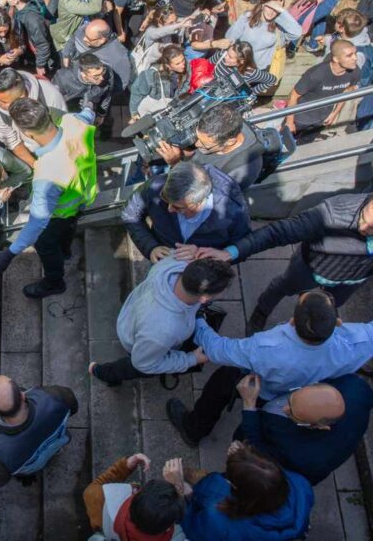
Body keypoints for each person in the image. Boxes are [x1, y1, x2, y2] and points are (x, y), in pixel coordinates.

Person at [167, 290, 373, 445]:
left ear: (292, 321)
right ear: (338, 322)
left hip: (264, 388)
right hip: (302, 396)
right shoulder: (359, 343)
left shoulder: (267, 348)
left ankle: (193, 429)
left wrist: (200, 322)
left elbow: (219, 350)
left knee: (222, 380)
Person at [196, 191, 373, 332]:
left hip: (353, 280)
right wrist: (231, 252)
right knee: (283, 287)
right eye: (365, 219)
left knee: (334, 303)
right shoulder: (331, 214)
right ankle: (261, 312)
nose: (364, 228)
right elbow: (277, 233)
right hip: (311, 268)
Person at [0, 97, 97, 297]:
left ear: (27, 133)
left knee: (45, 244)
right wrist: (89, 104)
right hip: (84, 196)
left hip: (59, 213)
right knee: (68, 229)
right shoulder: (74, 122)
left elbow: (37, 223)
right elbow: (89, 114)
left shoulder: (46, 174)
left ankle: (55, 282)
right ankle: (65, 252)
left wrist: (10, 253)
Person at [89, 257, 233, 385]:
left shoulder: (175, 262)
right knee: (135, 366)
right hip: (139, 342)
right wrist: (191, 359)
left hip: (133, 315)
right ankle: (102, 372)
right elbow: (142, 364)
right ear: (204, 299)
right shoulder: (163, 331)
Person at [235, 372, 373, 486]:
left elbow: (258, 448)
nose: (284, 408)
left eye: (293, 414)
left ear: (320, 427)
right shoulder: (356, 387)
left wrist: (249, 404)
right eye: (291, 399)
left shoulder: (297, 455)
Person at [178, 443, 313, 541]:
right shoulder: (301, 484)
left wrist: (183, 492)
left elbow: (192, 530)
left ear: (234, 487)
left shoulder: (218, 520)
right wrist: (244, 459)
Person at [122, 162, 251, 264]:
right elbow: (130, 213)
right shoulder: (155, 186)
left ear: (199, 202)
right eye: (165, 199)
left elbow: (240, 249)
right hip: (163, 260)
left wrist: (202, 256)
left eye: (178, 207)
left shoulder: (234, 213)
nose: (169, 210)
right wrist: (150, 248)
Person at [0, 375, 78, 487]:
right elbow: (73, 406)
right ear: (22, 395)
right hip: (57, 442)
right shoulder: (55, 396)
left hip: (32, 466)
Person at [156, 104, 268, 191]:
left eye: (205, 144)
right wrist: (185, 153)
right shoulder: (224, 125)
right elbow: (196, 152)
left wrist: (176, 164)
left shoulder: (242, 170)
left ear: (230, 142)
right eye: (197, 137)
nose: (197, 144)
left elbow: (204, 194)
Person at [82, 453, 187, 541]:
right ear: (168, 528)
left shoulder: (97, 497)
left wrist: (124, 467)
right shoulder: (178, 537)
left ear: (136, 496)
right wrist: (180, 488)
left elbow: (92, 489)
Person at [285, 39, 360, 139]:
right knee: (285, 144)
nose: (355, 58)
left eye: (355, 53)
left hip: (322, 119)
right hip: (300, 118)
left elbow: (346, 92)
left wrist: (334, 113)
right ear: (336, 59)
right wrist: (289, 122)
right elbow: (293, 96)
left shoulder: (355, 72)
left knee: (306, 145)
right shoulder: (316, 74)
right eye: (349, 55)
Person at [53, 53, 115, 128]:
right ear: (83, 74)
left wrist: (101, 114)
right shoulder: (62, 79)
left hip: (95, 108)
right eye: (96, 76)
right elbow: (54, 101)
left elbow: (107, 94)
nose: (102, 78)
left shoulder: (108, 73)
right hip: (70, 111)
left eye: (103, 72)